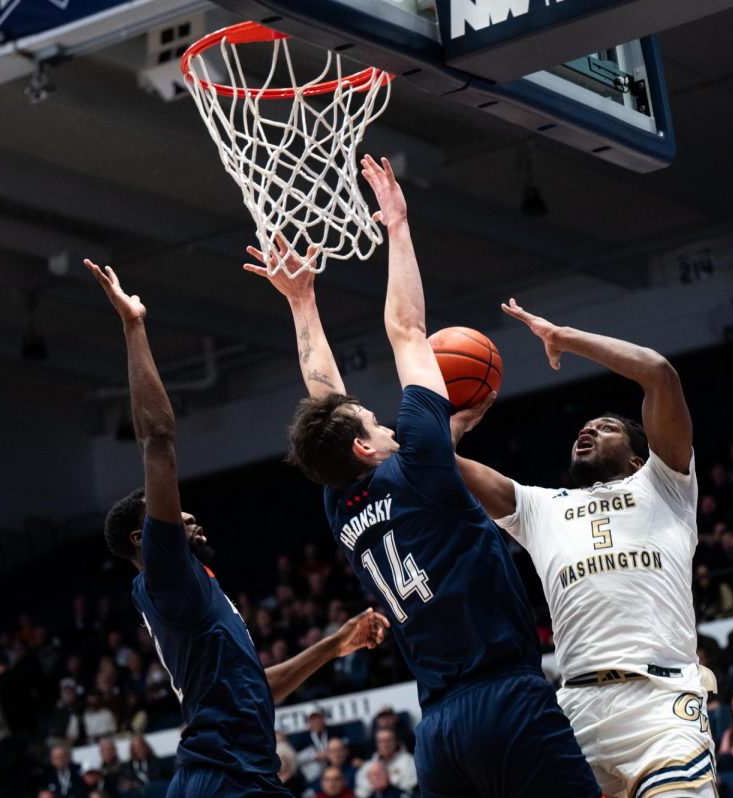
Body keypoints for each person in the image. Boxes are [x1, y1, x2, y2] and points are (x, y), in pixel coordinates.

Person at [248, 157, 599, 798]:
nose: (387, 423)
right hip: (507, 698)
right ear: (365, 447)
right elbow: (407, 330)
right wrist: (399, 226)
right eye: (377, 422)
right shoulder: (419, 463)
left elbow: (326, 397)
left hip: (438, 728)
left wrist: (303, 303)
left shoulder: (341, 504)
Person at [85, 257, 388, 798]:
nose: (190, 515)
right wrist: (134, 327)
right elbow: (157, 440)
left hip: (236, 774)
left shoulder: (195, 599)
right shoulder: (167, 572)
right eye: (177, 515)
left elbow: (257, 689)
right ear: (144, 538)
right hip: (226, 777)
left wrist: (331, 646)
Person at [443, 271, 719, 793]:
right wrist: (453, 423)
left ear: (639, 456)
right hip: (575, 710)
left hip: (659, 704)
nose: (587, 429)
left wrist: (562, 338)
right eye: (583, 427)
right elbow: (440, 463)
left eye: (606, 426)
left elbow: (659, 373)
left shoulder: (665, 485)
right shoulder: (541, 506)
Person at [355, 730, 417, 798]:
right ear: (376, 743)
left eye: (388, 740)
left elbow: (409, 788)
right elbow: (361, 793)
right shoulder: (368, 765)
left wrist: (386, 784)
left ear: (396, 741)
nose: (385, 745)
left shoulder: (408, 761)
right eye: (381, 741)